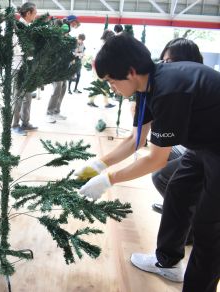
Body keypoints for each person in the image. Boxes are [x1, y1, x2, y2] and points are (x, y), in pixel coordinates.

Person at [74, 33, 220, 292]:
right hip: (204, 144)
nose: (111, 88)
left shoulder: (169, 89)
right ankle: (167, 261)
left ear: (130, 72)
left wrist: (109, 180)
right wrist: (97, 165)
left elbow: (155, 159)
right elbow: (136, 140)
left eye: (110, 80)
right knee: (178, 190)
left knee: (208, 231)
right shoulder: (147, 85)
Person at [151, 38, 204, 216]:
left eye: (169, 62)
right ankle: (176, 204)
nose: (164, 67)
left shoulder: (188, 86)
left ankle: (186, 220)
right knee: (165, 159)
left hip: (208, 150)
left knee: (160, 176)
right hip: (192, 146)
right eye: (163, 62)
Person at [12, 2, 39, 136]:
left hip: (27, 67)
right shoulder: (18, 27)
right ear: (28, 13)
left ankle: (25, 122)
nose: (36, 15)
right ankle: (15, 125)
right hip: (17, 68)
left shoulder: (28, 27)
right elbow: (15, 47)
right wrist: (29, 51)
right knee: (17, 97)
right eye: (35, 13)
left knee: (27, 97)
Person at [46, 18, 74, 124]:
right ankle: (49, 112)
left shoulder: (66, 38)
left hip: (64, 69)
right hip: (55, 69)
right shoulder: (53, 39)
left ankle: (56, 111)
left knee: (63, 88)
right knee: (56, 90)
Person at [87, 30, 115, 108]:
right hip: (99, 67)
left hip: (97, 66)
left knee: (100, 85)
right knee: (102, 85)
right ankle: (104, 103)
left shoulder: (103, 44)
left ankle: (93, 101)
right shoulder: (105, 45)